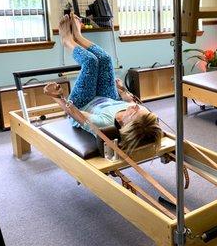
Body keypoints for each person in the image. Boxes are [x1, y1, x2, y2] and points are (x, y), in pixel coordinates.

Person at [49, 13, 162, 154]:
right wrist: (122, 91)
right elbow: (131, 102)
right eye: (139, 109)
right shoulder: (140, 114)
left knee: (90, 62)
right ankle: (78, 36)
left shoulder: (105, 123)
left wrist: (57, 97)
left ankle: (67, 40)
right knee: (105, 59)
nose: (136, 108)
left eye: (134, 113)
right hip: (109, 98)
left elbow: (76, 114)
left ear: (122, 124)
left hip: (84, 103)